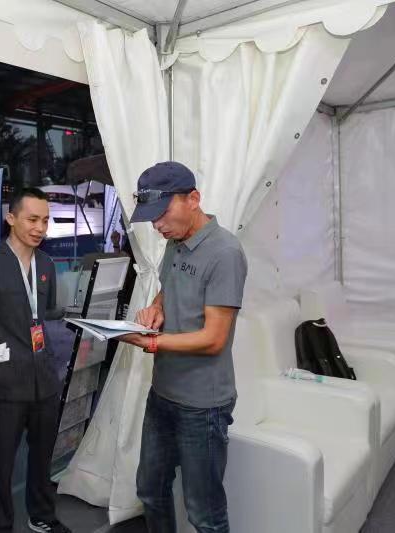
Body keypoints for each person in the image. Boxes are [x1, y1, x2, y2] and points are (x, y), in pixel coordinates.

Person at [116, 161, 248, 533]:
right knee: (150, 491)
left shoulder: (225, 253)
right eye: (151, 217)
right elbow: (168, 290)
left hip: (202, 405)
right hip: (162, 394)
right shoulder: (175, 244)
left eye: (162, 214)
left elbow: (214, 339)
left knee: (204, 513)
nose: (157, 225)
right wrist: (155, 309)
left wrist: (151, 342)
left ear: (193, 199)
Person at [0, 188, 71, 533]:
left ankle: (42, 515)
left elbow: (45, 315)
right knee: (1, 464)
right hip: (5, 382)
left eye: (45, 220)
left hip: (44, 379)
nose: (40, 228)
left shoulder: (47, 264)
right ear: (11, 218)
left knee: (42, 457)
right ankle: (0, 527)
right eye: (32, 219)